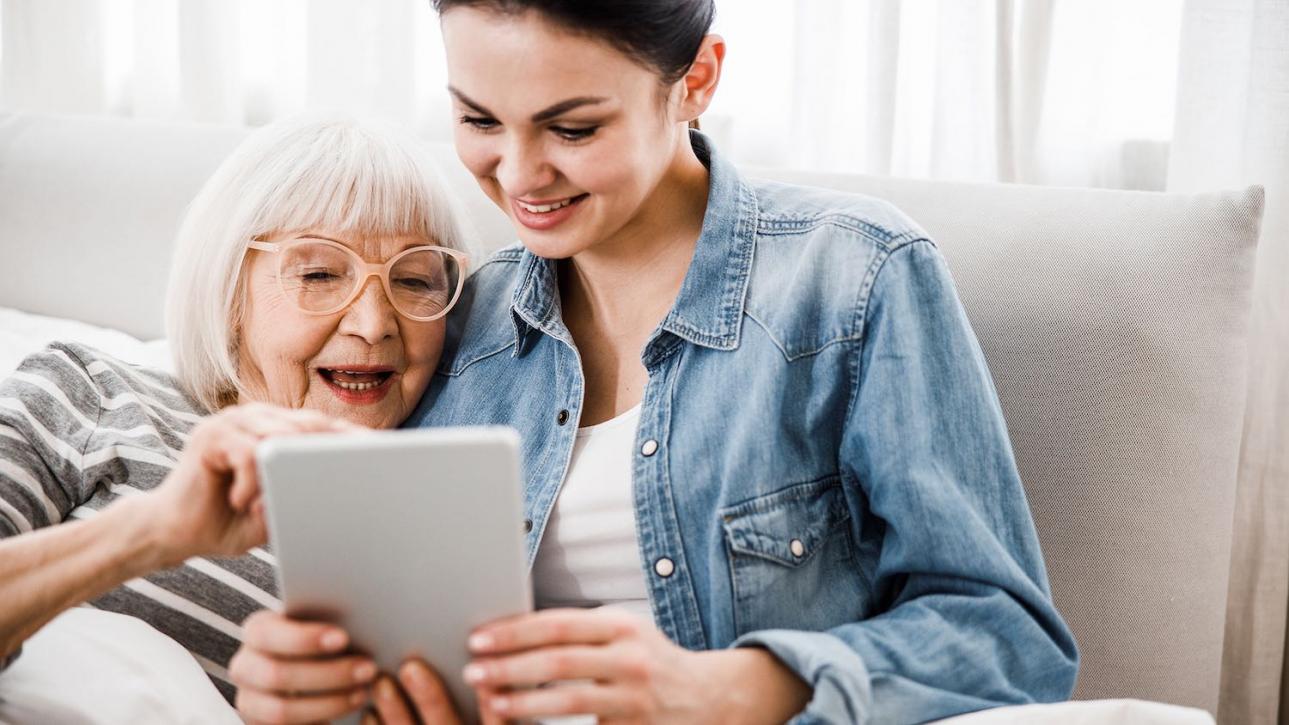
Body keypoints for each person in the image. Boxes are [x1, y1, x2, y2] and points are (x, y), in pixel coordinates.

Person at [232, 2, 1079, 723]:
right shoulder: (460, 321)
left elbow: (1007, 637)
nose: (520, 173)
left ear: (697, 80)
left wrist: (723, 686)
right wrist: (302, 687)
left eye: (573, 127)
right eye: (479, 120)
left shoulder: (852, 278)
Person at [0, 115, 470, 705]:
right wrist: (151, 532)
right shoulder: (90, 394)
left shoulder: (445, 532)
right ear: (228, 291)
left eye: (414, 281)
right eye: (320, 273)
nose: (374, 325)